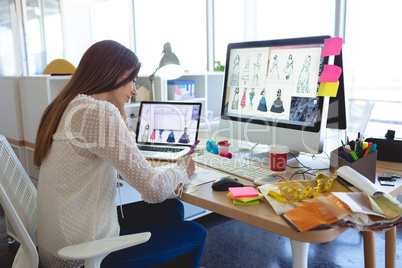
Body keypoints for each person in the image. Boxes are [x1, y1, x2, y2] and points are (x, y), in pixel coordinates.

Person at [34, 40, 206, 268]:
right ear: (114, 74)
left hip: (56, 246)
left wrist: (120, 109)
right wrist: (182, 169)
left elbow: (125, 158)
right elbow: (153, 189)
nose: (135, 90)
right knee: (195, 233)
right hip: (80, 256)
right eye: (133, 80)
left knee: (173, 209)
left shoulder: (71, 106)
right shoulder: (97, 113)